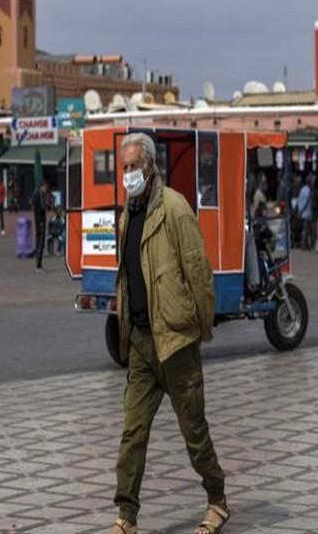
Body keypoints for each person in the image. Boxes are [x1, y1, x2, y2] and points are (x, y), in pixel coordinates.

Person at [110, 132, 227, 534]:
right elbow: (126, 277)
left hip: (176, 342)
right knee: (132, 434)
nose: (127, 174)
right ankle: (126, 516)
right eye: (123, 167)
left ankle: (217, 499)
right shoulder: (127, 216)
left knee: (194, 431)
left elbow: (198, 272)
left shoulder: (175, 209)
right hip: (142, 345)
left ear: (150, 167)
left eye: (133, 166)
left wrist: (200, 327)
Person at [30, 180, 50, 272]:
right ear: (44, 186)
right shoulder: (40, 194)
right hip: (41, 221)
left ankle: (38, 264)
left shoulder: (35, 193)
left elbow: (33, 205)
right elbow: (42, 207)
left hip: (37, 220)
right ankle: (38, 265)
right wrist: (47, 204)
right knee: (40, 243)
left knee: (39, 242)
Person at [297, 175, 314, 250]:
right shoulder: (308, 191)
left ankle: (306, 244)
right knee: (306, 230)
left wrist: (299, 210)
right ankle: (304, 245)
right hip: (306, 213)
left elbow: (299, 200)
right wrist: (301, 211)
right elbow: (305, 202)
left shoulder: (302, 189)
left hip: (303, 212)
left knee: (305, 230)